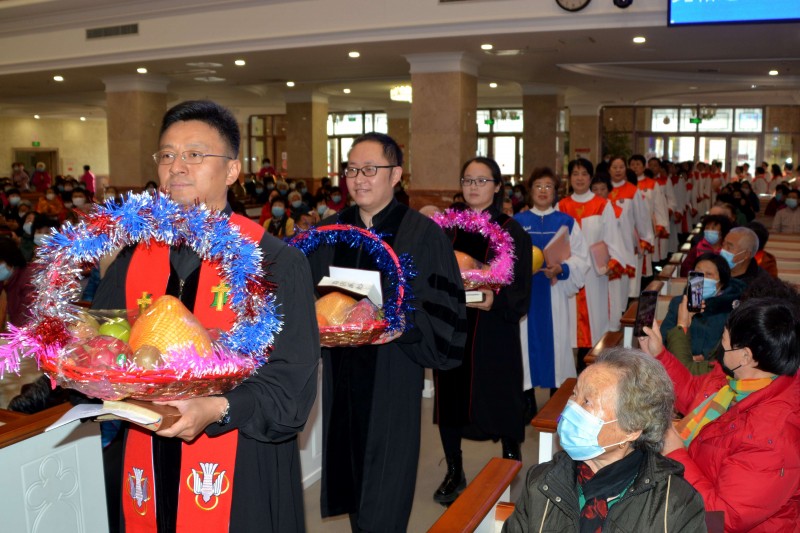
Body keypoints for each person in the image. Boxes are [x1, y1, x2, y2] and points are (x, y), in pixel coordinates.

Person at [92, 100, 320, 532]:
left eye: (195, 154)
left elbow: (291, 388)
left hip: (239, 460)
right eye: (167, 155)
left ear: (232, 171)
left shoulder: (273, 262)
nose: (177, 167)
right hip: (147, 453)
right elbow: (104, 343)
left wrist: (217, 407)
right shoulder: (134, 258)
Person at [306, 132, 466, 532]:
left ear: (395, 174)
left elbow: (445, 309)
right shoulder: (329, 232)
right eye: (352, 170)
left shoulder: (421, 234)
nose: (359, 179)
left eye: (370, 170)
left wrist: (404, 326)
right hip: (341, 376)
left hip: (392, 373)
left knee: (386, 486)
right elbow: (304, 298)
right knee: (353, 480)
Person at [503, 347, 707, 532]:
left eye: (587, 402)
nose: (571, 408)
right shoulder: (541, 481)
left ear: (632, 428)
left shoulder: (676, 505)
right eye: (574, 395)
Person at [640, 298, 800, 533]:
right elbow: (695, 394)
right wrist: (660, 355)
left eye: (724, 343)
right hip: (690, 493)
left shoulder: (772, 438)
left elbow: (723, 519)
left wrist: (676, 454)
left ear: (745, 356)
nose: (720, 348)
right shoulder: (749, 379)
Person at [433, 157, 532, 504]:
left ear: (497, 186)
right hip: (453, 326)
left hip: (493, 328)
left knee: (499, 393)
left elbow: (520, 288)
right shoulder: (447, 228)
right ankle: (454, 469)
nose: (473, 187)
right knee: (450, 398)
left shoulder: (510, 229)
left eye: (481, 180)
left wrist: (496, 300)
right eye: (467, 180)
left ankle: (509, 457)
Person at [516, 168, 589, 399]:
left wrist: (563, 268)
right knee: (524, 347)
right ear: (530, 191)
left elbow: (581, 257)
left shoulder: (566, 222)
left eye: (549, 186)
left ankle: (555, 400)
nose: (543, 191)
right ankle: (526, 401)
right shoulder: (518, 222)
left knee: (556, 347)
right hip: (525, 295)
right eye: (538, 186)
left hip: (554, 292)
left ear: (556, 192)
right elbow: (506, 257)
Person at [558, 159, 626, 370]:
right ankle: (567, 383)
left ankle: (593, 373)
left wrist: (613, 262)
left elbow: (612, 239)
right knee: (567, 332)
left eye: (584, 174)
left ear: (590, 177)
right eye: (575, 173)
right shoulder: (561, 206)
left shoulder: (602, 204)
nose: (579, 178)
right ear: (569, 178)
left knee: (596, 330)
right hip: (568, 277)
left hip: (595, 277)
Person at [662, 253, 745, 368]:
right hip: (677, 363)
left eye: (709, 274)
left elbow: (731, 349)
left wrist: (704, 359)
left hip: (713, 368)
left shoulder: (732, 309)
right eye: (698, 273)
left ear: (721, 282)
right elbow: (663, 337)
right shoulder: (679, 303)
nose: (702, 278)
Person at [0, 238, 35, 327]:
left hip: (23, 334)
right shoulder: (5, 279)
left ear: (10, 259)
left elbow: (25, 319)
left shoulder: (28, 280)